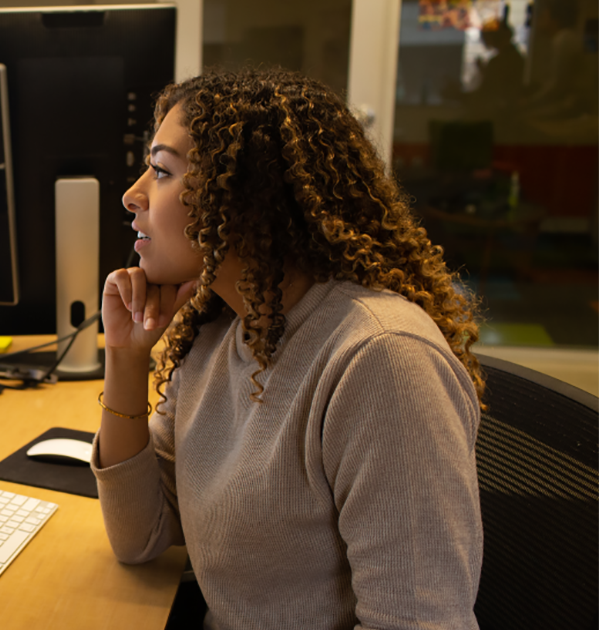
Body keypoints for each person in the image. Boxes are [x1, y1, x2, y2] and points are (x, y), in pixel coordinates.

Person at [92, 68, 485, 630]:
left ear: (247, 198)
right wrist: (126, 358)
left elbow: (419, 621)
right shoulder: (224, 330)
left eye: (160, 171)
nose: (133, 195)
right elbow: (139, 537)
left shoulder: (381, 360)